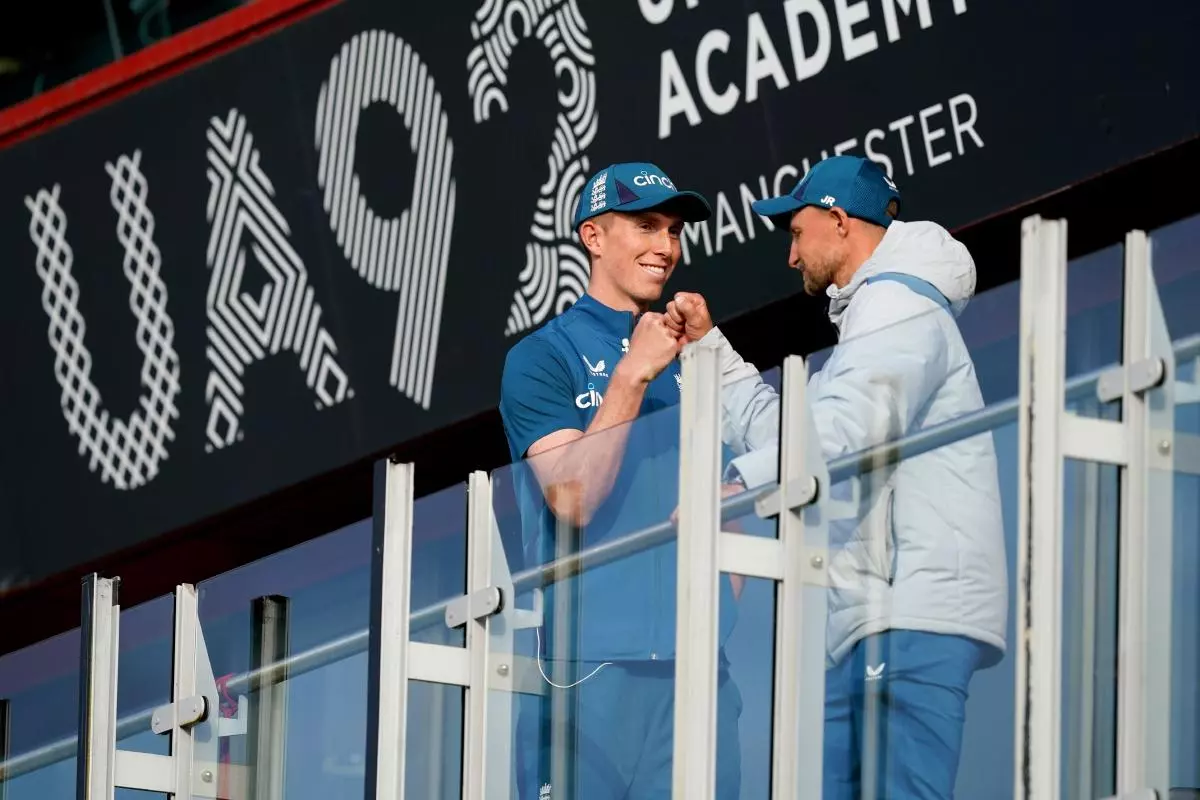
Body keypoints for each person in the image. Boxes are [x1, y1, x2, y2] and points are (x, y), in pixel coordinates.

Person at [711, 155, 1007, 799]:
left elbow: (845, 427)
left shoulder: (898, 305)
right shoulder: (875, 319)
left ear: (839, 221)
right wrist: (710, 352)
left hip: (910, 611)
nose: (791, 257)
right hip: (875, 618)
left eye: (796, 233)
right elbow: (806, 437)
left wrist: (740, 485)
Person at [498, 161, 775, 799]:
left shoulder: (697, 356)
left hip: (698, 669)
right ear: (593, 237)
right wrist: (631, 374)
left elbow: (733, 486)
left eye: (674, 230)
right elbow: (570, 497)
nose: (666, 246)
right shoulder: (544, 355)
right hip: (583, 670)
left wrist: (721, 599)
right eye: (646, 225)